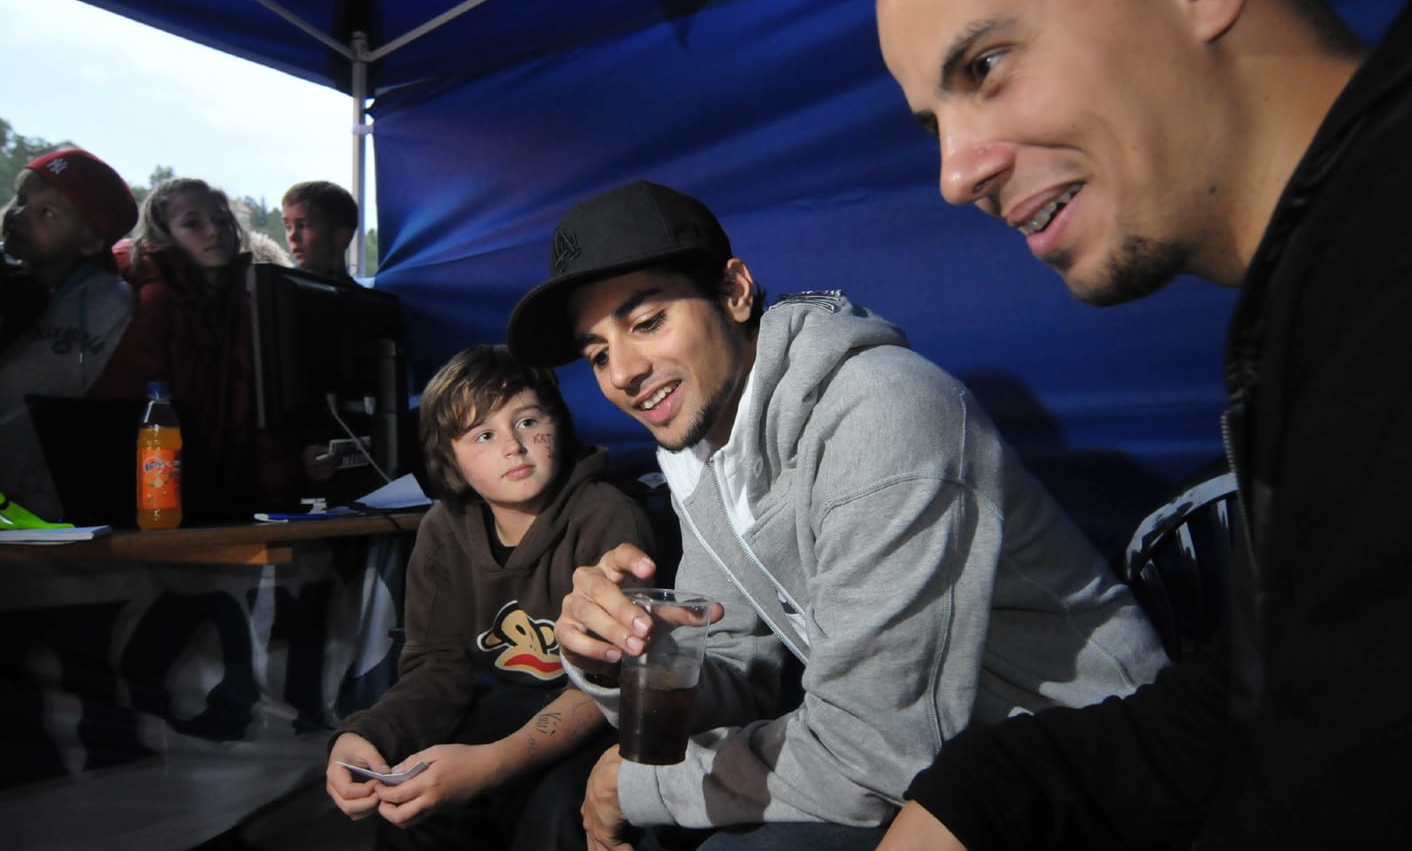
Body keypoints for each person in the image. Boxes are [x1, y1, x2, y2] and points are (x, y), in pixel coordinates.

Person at [872, 0, 1412, 848]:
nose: (956, 175)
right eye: (933, 124)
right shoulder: (1342, 268)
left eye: (985, 66)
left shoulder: (1410, 271)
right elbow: (1270, 693)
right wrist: (981, 792)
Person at [504, 180, 1170, 850]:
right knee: (559, 810)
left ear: (735, 292)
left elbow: (874, 755)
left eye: (648, 322)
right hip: (939, 764)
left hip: (1091, 766)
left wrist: (644, 786)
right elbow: (739, 669)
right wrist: (621, 655)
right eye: (598, 354)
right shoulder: (702, 449)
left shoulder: (882, 416)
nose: (622, 372)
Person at [325, 343, 659, 851]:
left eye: (527, 421)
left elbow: (613, 685)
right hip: (501, 710)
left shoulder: (609, 518)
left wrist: (492, 765)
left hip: (600, 720)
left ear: (558, 425)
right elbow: (437, 670)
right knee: (408, 805)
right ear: (451, 462)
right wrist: (367, 735)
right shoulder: (442, 531)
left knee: (556, 815)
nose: (513, 446)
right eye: (483, 434)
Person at [91, 177, 299, 521]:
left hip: (227, 494)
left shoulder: (243, 304)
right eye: (192, 223)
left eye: (221, 220)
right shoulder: (154, 300)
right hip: (159, 493)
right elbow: (129, 400)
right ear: (163, 233)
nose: (214, 231)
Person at [0, 148, 137, 520]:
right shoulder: (9, 280)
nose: (18, 215)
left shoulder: (109, 304)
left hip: (44, 512)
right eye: (21, 200)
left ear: (90, 241)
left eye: (46, 212)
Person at [282, 180, 357, 282]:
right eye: (288, 227)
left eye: (303, 225)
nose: (292, 236)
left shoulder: (354, 293)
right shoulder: (276, 286)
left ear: (342, 235)